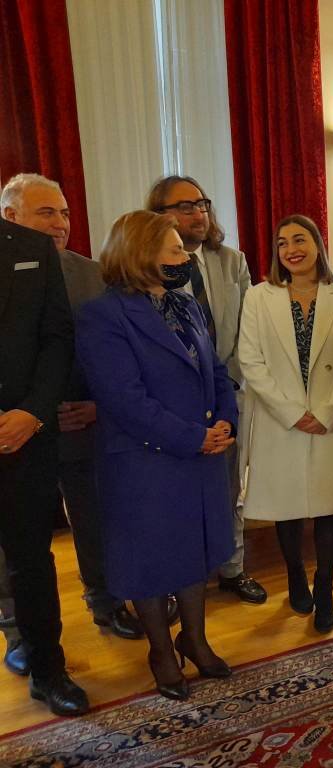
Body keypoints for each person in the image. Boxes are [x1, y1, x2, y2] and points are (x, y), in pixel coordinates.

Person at [76, 210, 238, 700]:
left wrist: (225, 420)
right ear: (141, 254)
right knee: (150, 560)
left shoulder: (185, 305)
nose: (184, 257)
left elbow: (216, 371)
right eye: (175, 250)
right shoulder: (103, 316)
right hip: (144, 462)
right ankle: (162, 651)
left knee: (195, 552)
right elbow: (124, 400)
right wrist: (194, 438)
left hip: (200, 454)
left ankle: (195, 639)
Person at [1, 173, 142, 642]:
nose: (60, 223)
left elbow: (116, 353)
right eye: (47, 213)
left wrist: (99, 405)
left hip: (81, 422)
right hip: (16, 428)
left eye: (64, 213)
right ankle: (16, 629)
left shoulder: (93, 275)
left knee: (93, 518)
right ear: (10, 216)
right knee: (17, 539)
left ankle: (105, 602)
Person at [146, 175, 266, 606]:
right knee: (175, 494)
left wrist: (225, 387)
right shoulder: (149, 268)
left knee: (229, 490)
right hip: (171, 405)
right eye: (185, 206)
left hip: (226, 392)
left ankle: (233, 567)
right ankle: (178, 578)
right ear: (159, 215)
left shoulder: (232, 261)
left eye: (202, 204)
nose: (198, 213)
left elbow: (248, 329)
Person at [238, 215, 333, 633]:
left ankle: (325, 587)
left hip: (330, 419)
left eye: (300, 239)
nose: (292, 249)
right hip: (279, 420)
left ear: (317, 245)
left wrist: (327, 411)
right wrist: (291, 412)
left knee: (328, 507)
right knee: (285, 506)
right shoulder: (258, 297)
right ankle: (294, 575)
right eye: (283, 242)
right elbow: (250, 360)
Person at [0, 217, 87, 716]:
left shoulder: (34, 248)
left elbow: (57, 338)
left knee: (31, 561)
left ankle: (48, 672)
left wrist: (33, 412)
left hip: (25, 434)